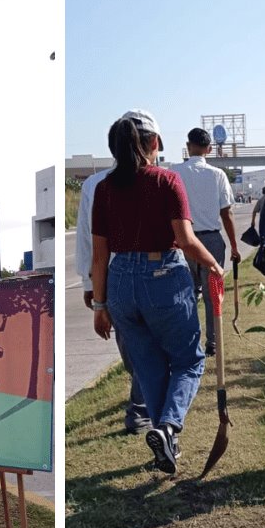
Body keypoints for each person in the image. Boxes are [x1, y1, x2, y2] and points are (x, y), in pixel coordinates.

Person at [90, 109, 222, 475]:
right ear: (152, 143)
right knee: (188, 360)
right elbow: (186, 241)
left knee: (147, 367)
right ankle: (168, 427)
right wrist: (214, 265)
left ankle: (167, 445)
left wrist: (99, 305)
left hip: (119, 282)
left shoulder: (103, 189)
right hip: (163, 273)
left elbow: (100, 254)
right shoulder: (166, 181)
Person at [77, 166, 152, 434]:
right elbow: (89, 240)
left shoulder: (96, 183)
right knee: (136, 348)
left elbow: (88, 244)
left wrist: (92, 288)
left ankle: (141, 409)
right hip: (134, 278)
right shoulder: (159, 178)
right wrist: (92, 288)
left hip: (116, 280)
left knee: (139, 346)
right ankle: (144, 405)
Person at [171, 127, 242, 357]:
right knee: (213, 295)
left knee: (185, 294)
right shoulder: (217, 174)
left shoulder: (174, 172)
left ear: (188, 146)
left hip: (183, 238)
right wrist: (233, 245)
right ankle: (213, 342)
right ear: (209, 149)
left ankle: (190, 342)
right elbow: (226, 213)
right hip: (212, 240)